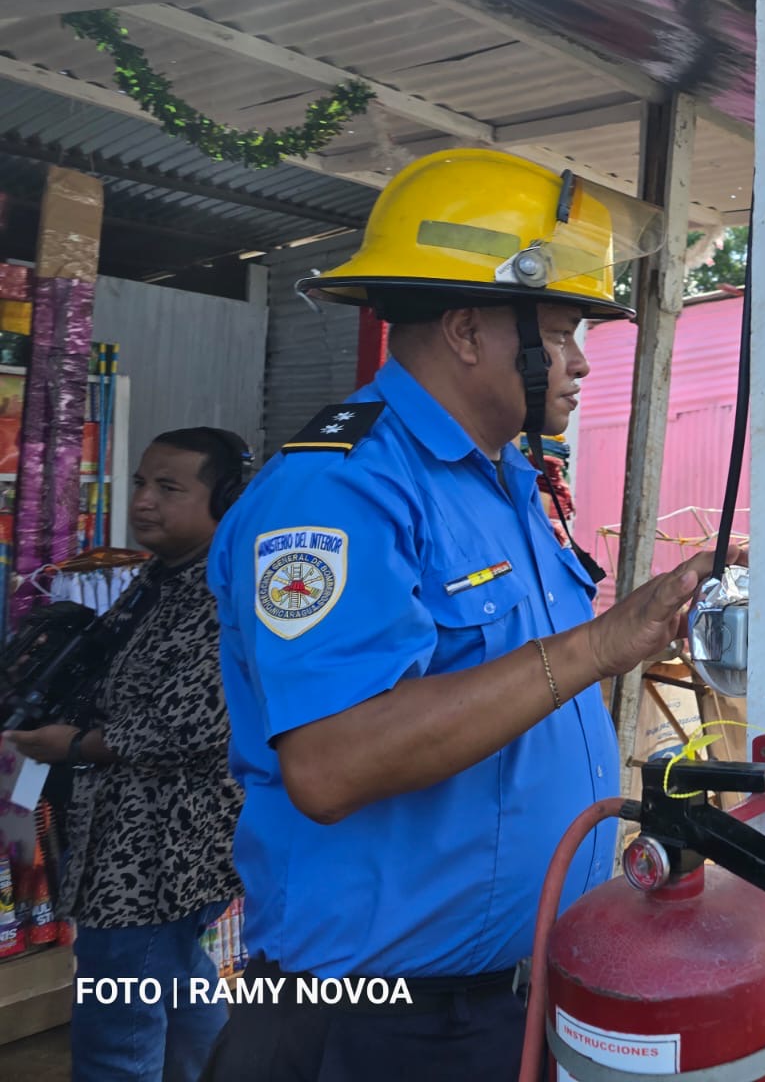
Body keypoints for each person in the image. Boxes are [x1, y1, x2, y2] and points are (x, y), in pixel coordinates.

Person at [201, 149, 716, 1081]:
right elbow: (331, 760)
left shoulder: (508, 479)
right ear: (471, 329)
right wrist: (600, 644)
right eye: (560, 334)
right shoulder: (339, 490)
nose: (581, 363)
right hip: (378, 1026)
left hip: (504, 1001)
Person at [8, 428, 250, 1082]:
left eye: (168, 488)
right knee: (170, 976)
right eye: (142, 482)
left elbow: (196, 722)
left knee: (117, 1023)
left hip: (160, 851)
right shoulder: (158, 577)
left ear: (223, 500)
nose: (144, 500)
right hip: (124, 834)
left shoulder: (226, 590)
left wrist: (76, 744)